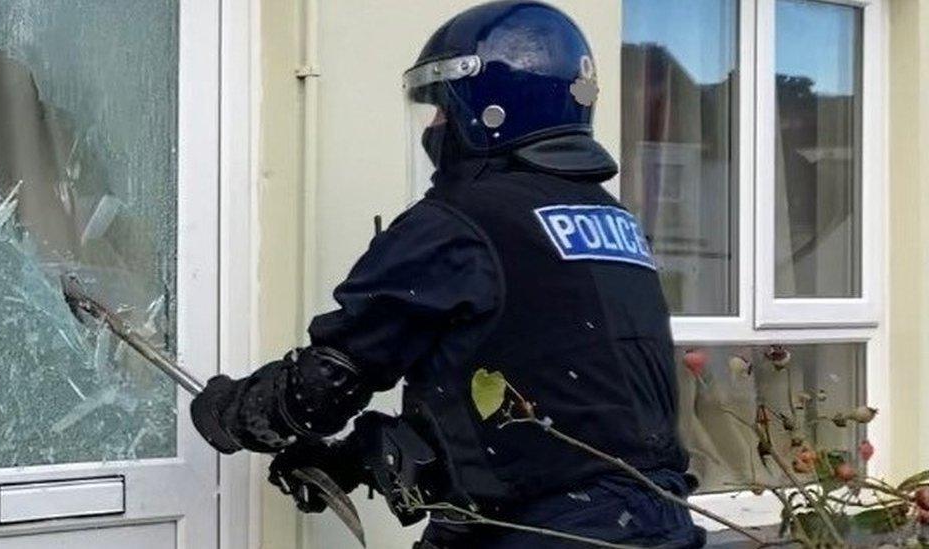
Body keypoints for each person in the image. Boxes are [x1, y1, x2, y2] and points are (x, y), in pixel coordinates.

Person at [191, 2, 706, 547]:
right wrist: (354, 460)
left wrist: (231, 413)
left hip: (544, 534)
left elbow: (329, 383)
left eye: (441, 110)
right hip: (657, 521)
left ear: (490, 111)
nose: (433, 128)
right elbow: (554, 394)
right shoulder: (612, 223)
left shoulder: (460, 222)